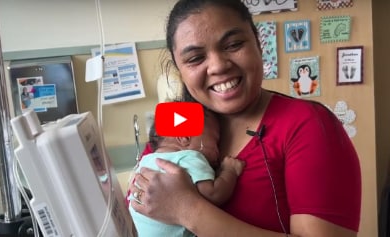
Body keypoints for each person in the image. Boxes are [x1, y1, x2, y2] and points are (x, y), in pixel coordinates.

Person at [130, 0, 362, 236]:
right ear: (180, 71)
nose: (218, 66)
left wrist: (188, 210)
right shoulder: (177, 120)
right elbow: (138, 204)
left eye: (233, 44)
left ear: (258, 44)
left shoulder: (307, 125)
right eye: (195, 58)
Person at [128, 108, 245, 237]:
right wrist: (230, 170)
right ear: (185, 138)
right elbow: (214, 194)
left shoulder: (146, 161)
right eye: (214, 141)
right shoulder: (190, 157)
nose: (218, 150)